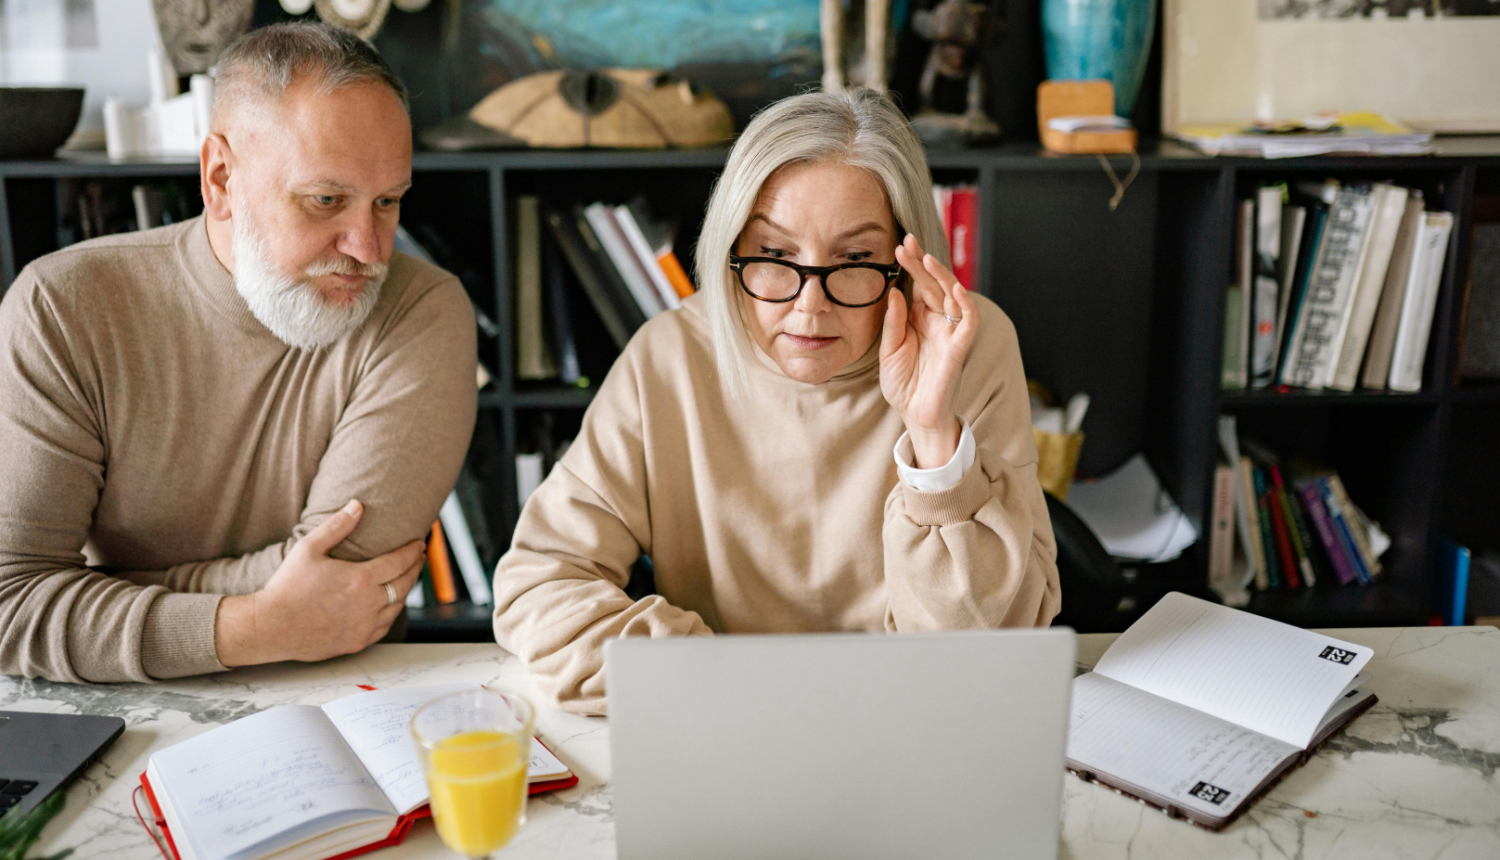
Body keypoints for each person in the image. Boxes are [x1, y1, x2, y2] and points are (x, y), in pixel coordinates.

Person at [493, 88, 1060, 715]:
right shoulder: (671, 355)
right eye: (773, 255)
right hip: (724, 720)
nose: (808, 306)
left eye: (855, 259)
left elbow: (990, 650)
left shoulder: (967, 346)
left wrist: (933, 437)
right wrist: (728, 681)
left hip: (911, 723)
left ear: (906, 261)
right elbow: (538, 587)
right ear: (729, 246)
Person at [0, 23, 476, 683]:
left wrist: (102, 588)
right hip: (116, 709)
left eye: (388, 201)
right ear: (221, 179)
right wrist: (251, 626)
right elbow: (12, 604)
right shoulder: (61, 308)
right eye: (326, 200)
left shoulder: (421, 310)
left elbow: (346, 581)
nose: (370, 249)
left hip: (342, 696)